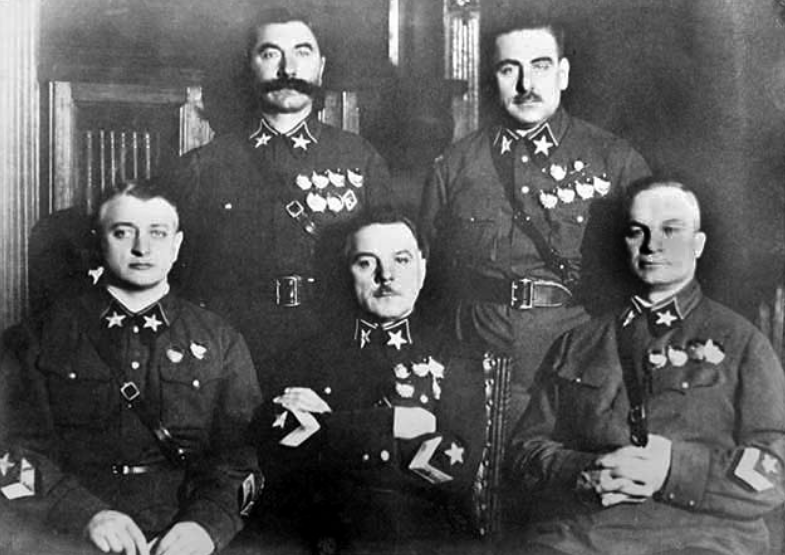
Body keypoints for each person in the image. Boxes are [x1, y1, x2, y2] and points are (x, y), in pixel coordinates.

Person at [504, 179, 785, 555]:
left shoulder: (742, 342)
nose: (652, 246)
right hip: (582, 537)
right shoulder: (579, 342)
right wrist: (582, 470)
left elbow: (775, 468)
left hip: (702, 538)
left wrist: (672, 469)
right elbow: (524, 452)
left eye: (671, 230)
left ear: (698, 244)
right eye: (638, 232)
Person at [0, 180, 262, 555]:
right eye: (123, 232)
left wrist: (206, 526)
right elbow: (7, 454)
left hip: (184, 540)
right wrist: (82, 514)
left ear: (177, 244)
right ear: (97, 241)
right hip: (65, 540)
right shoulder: (35, 339)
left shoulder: (220, 340)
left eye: (158, 233)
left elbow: (243, 459)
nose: (142, 248)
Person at [419, 20, 651, 430]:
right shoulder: (455, 165)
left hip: (578, 363)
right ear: (493, 78)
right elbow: (426, 276)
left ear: (563, 73)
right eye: (509, 69)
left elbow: (648, 275)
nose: (526, 84)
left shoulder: (614, 161)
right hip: (479, 363)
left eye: (540, 66)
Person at [165, 8, 396, 385]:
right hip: (234, 350)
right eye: (271, 53)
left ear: (321, 67)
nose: (288, 69)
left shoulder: (360, 158)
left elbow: (392, 267)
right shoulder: (204, 166)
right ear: (250, 66)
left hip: (337, 346)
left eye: (302, 52)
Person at [254, 210, 486, 552]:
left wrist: (328, 427)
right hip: (326, 535)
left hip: (421, 538)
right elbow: (283, 456)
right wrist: (396, 424)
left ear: (422, 268)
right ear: (345, 272)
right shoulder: (308, 355)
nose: (386, 275)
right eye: (366, 263)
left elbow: (452, 470)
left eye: (401, 260)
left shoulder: (455, 356)